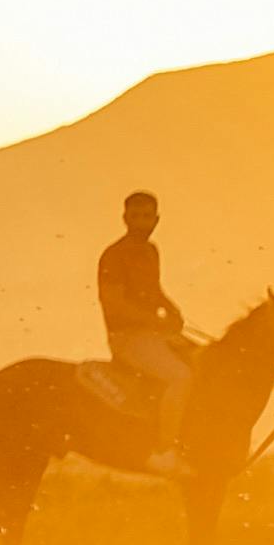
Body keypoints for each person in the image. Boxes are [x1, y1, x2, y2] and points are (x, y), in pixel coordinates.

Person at [96, 190, 192, 470]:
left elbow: (154, 291)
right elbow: (113, 305)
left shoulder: (150, 251)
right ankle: (165, 449)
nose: (141, 222)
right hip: (127, 338)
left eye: (147, 216)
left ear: (156, 219)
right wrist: (155, 322)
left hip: (153, 335)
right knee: (180, 377)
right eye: (135, 216)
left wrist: (171, 309)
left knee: (203, 362)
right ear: (125, 218)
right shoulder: (114, 255)